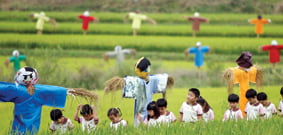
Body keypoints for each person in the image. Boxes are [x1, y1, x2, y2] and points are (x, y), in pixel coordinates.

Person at [0, 66, 96, 135]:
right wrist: (68, 91)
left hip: (17, 130)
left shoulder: (15, 89)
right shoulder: (39, 91)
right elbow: (53, 89)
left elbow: (3, 88)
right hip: (33, 130)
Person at [104, 57, 174, 126]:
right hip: (140, 109)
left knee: (151, 124)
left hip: (150, 108)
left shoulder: (152, 79)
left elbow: (164, 78)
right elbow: (122, 82)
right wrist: (111, 86)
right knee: (140, 124)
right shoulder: (136, 81)